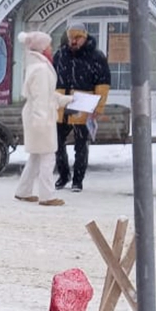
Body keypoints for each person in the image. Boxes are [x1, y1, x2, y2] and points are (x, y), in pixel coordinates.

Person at [51, 22, 111, 192]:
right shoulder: (60, 55)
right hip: (62, 106)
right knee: (57, 143)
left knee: (81, 145)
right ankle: (63, 176)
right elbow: (51, 79)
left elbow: (103, 85)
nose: (73, 41)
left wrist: (98, 108)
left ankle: (78, 180)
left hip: (83, 106)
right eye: (70, 38)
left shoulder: (97, 57)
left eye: (77, 38)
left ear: (85, 37)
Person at [16, 32, 72, 206]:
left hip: (37, 115)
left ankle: (23, 191)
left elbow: (46, 95)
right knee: (48, 156)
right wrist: (41, 120)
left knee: (36, 156)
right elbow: (41, 97)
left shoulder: (37, 66)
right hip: (40, 118)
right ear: (42, 48)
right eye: (49, 45)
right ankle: (47, 196)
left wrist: (65, 100)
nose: (51, 48)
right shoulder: (40, 69)